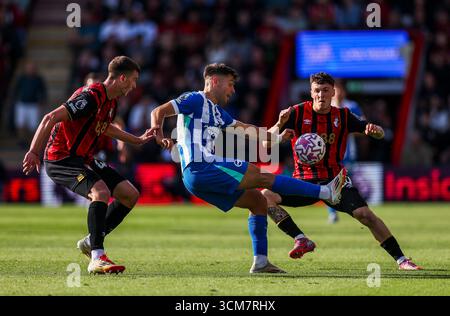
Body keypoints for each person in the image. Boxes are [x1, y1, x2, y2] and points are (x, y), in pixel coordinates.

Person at [150, 63, 347, 274]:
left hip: (197, 178)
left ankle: (260, 261)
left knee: (258, 201)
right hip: (201, 167)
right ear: (215, 81)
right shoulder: (195, 99)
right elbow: (158, 111)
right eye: (230, 84)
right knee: (262, 176)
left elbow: (246, 129)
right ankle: (325, 191)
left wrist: (278, 137)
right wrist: (159, 134)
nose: (232, 90)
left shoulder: (217, 113)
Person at [261, 72, 422, 270]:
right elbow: (265, 141)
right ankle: (301, 239)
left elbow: (376, 132)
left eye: (325, 90)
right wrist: (278, 124)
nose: (321, 95)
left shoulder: (343, 116)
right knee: (265, 197)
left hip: (335, 182)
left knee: (365, 215)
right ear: (311, 93)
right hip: (304, 182)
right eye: (317, 91)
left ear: (333, 92)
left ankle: (402, 260)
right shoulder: (295, 113)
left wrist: (376, 131)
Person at [22, 56, 156, 274]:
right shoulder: (91, 97)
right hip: (61, 158)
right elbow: (50, 117)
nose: (134, 86)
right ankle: (97, 257)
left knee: (129, 195)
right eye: (133, 80)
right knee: (100, 191)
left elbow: (106, 128)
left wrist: (136, 140)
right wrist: (34, 151)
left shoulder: (111, 103)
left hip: (84, 158)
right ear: (122, 78)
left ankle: (90, 241)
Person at [326, 79, 365, 224]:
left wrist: (347, 129)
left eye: (339, 89)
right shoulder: (326, 107)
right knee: (331, 183)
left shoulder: (352, 107)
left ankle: (355, 208)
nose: (337, 92)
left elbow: (363, 127)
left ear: (344, 91)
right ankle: (332, 213)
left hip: (348, 153)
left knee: (347, 183)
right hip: (330, 154)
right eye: (334, 89)